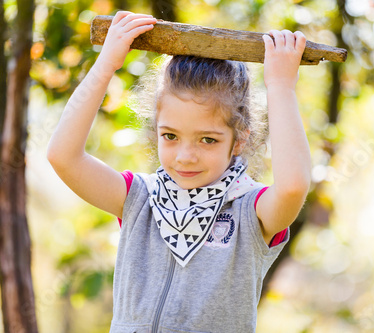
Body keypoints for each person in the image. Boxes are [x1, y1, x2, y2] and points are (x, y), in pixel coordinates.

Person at [47, 10, 311, 333]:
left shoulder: (250, 212)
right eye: (170, 136)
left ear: (239, 139)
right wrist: (105, 65)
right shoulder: (138, 199)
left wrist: (281, 87)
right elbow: (63, 156)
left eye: (208, 140)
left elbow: (292, 188)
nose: (186, 157)